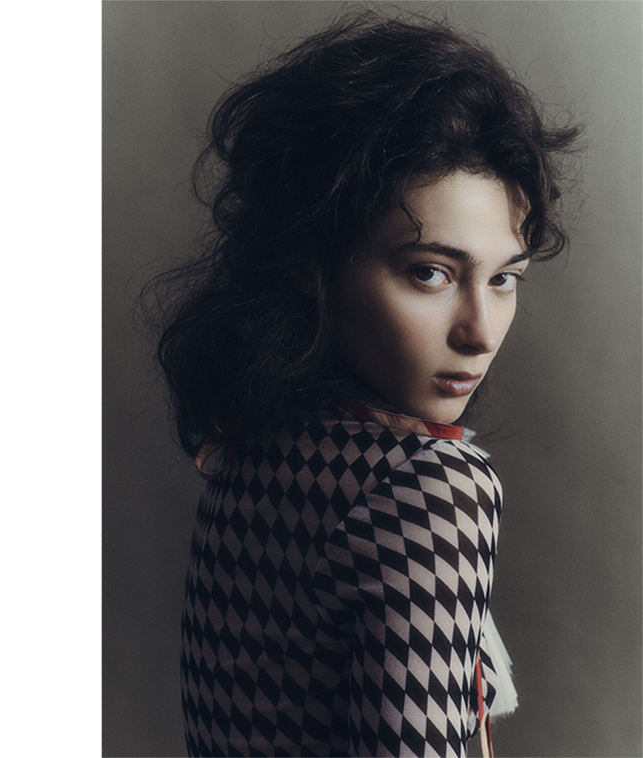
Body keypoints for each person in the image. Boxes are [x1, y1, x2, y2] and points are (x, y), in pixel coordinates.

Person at [147, 12, 580, 757]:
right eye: (430, 273)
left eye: (503, 278)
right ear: (311, 265)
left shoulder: (249, 450)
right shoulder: (427, 488)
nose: (479, 331)